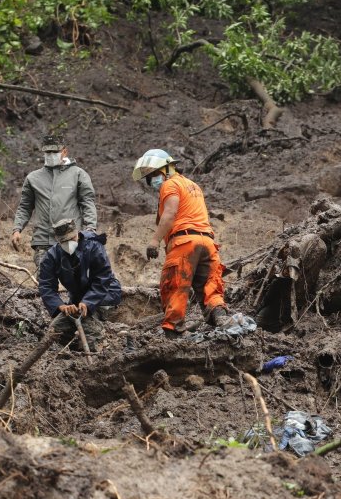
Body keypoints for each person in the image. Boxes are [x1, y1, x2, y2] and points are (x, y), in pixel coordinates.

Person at [132, 149, 229, 336]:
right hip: (207, 242)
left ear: (167, 169)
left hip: (184, 243)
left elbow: (170, 214)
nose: (152, 180)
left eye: (154, 174)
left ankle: (174, 333)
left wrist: (154, 241)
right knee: (210, 286)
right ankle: (221, 319)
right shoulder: (193, 185)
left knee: (175, 286)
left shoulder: (170, 184)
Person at [12, 134, 98, 270]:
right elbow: (25, 207)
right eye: (48, 152)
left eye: (55, 152)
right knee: (45, 280)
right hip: (43, 240)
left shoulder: (78, 174)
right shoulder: (33, 178)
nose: (51, 155)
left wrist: (90, 228)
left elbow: (87, 202)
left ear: (64, 151)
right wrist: (17, 229)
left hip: (71, 238)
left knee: (75, 280)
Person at [38, 218, 122, 350]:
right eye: (64, 241)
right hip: (78, 298)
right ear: (58, 240)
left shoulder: (94, 246)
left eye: (72, 238)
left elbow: (103, 278)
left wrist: (88, 302)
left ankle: (102, 336)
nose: (69, 243)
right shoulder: (52, 256)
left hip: (105, 294)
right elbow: (46, 286)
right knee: (56, 330)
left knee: (89, 332)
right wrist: (60, 306)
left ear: (77, 233)